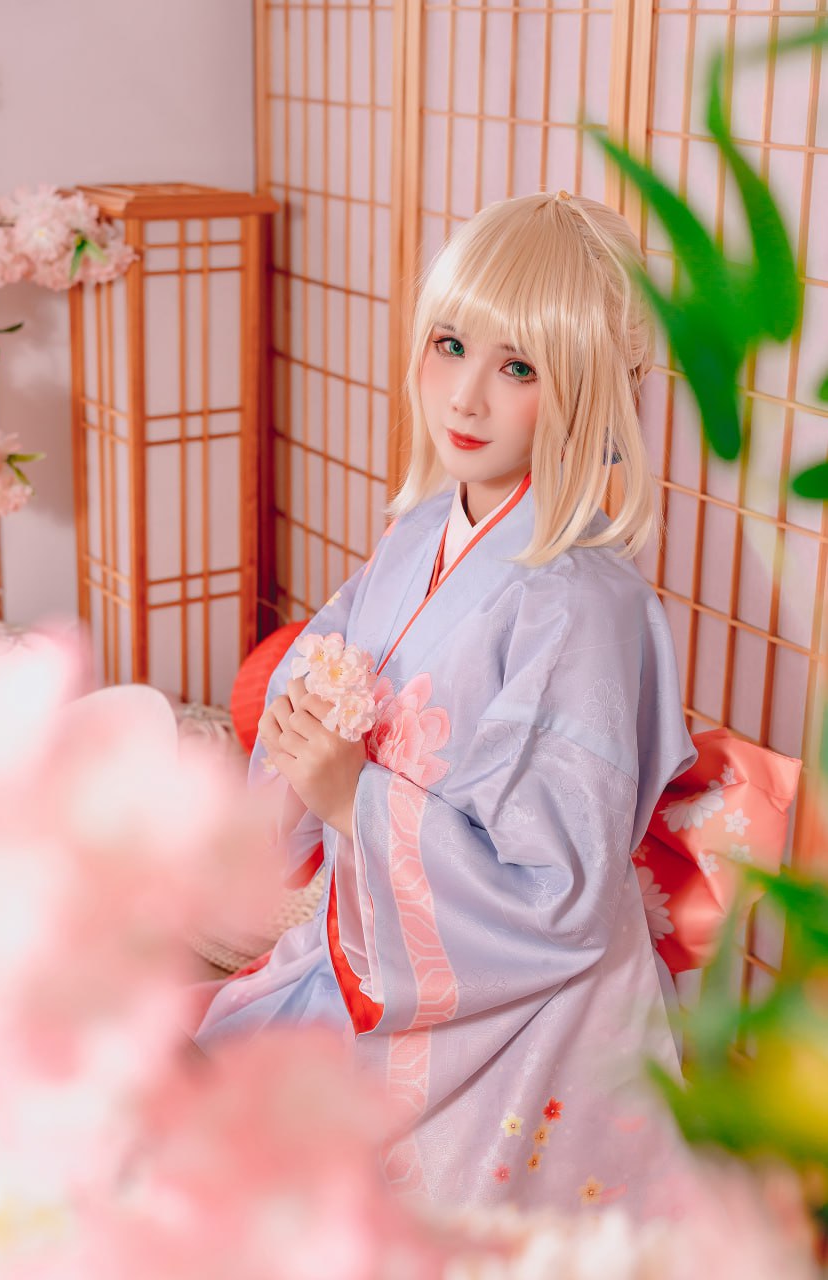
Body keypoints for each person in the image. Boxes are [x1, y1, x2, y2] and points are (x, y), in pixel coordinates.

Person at [194, 190, 700, 1217]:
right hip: (388, 936)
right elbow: (318, 664)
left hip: (521, 1009)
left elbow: (553, 889)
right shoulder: (423, 528)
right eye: (450, 345)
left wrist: (354, 798)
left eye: (519, 368)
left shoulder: (583, 603)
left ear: (587, 392)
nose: (465, 398)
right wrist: (306, 731)